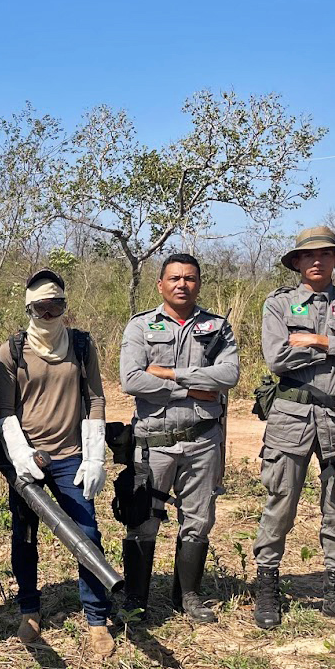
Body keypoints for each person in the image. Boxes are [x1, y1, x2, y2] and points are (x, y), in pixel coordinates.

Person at [251, 227, 335, 629]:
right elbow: (277, 359)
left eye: (326, 254)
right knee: (281, 502)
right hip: (291, 416)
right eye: (308, 255)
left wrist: (318, 341)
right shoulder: (279, 303)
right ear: (296, 262)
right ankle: (267, 590)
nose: (317, 261)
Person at [0, 269, 115, 659]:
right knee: (25, 537)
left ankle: (97, 618)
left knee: (87, 533)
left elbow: (95, 399)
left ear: (65, 306)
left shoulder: (80, 345)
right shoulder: (11, 350)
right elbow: (7, 409)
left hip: (71, 457)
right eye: (41, 308)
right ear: (29, 308)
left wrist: (95, 455)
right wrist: (19, 454)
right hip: (29, 458)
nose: (49, 314)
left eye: (56, 306)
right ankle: (30, 610)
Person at [119, 253, 239, 624]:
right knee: (142, 519)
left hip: (203, 440)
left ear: (198, 283)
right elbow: (132, 379)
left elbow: (229, 374)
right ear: (161, 284)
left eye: (189, 278)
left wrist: (169, 374)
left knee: (199, 519)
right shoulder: (141, 326)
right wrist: (190, 389)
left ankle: (187, 596)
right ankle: (136, 597)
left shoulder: (216, 328)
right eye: (174, 278)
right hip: (154, 441)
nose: (181, 284)